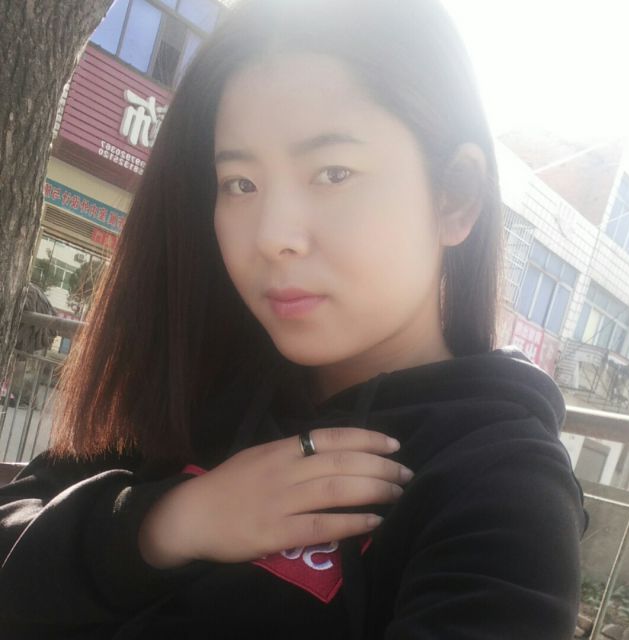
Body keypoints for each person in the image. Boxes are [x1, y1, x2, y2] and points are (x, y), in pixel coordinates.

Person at [0, 0, 590, 638]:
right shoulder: (195, 375)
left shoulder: (501, 487)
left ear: (455, 196)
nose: (272, 237)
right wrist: (165, 524)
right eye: (240, 183)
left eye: (333, 173)